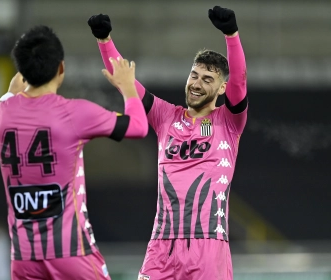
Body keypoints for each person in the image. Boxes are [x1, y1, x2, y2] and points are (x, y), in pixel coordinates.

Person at [0, 25, 148, 280]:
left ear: (22, 71)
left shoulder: (0, 114)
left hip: (23, 258)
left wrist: (9, 93)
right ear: (60, 69)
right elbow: (139, 127)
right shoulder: (75, 112)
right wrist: (128, 87)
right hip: (71, 253)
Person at [88, 6, 247, 280]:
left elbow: (240, 81)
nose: (196, 84)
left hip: (208, 249)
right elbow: (126, 84)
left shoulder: (229, 122)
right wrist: (105, 41)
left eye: (208, 79)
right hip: (161, 247)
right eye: (194, 75)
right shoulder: (165, 116)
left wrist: (231, 35)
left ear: (221, 88)